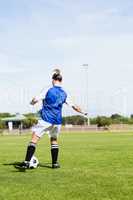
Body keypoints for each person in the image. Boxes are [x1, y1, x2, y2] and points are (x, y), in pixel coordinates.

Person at [15, 69, 87, 169]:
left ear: (53, 80)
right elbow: (74, 106)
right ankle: (55, 164)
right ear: (61, 81)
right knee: (54, 140)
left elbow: (35, 99)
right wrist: (83, 112)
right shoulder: (64, 93)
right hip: (57, 121)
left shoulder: (48, 89)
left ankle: (27, 162)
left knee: (34, 138)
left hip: (46, 119)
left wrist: (31, 102)